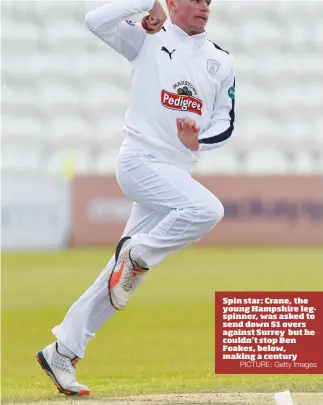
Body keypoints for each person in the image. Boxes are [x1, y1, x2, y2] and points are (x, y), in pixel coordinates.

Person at [36, 0, 235, 396]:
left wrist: (199, 140)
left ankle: (63, 350)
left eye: (208, 1)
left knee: (119, 279)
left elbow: (225, 121)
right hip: (140, 161)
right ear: (173, 3)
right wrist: (148, 4)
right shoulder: (148, 35)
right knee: (208, 209)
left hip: (175, 173)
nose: (204, 7)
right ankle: (139, 252)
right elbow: (94, 21)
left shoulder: (220, 60)